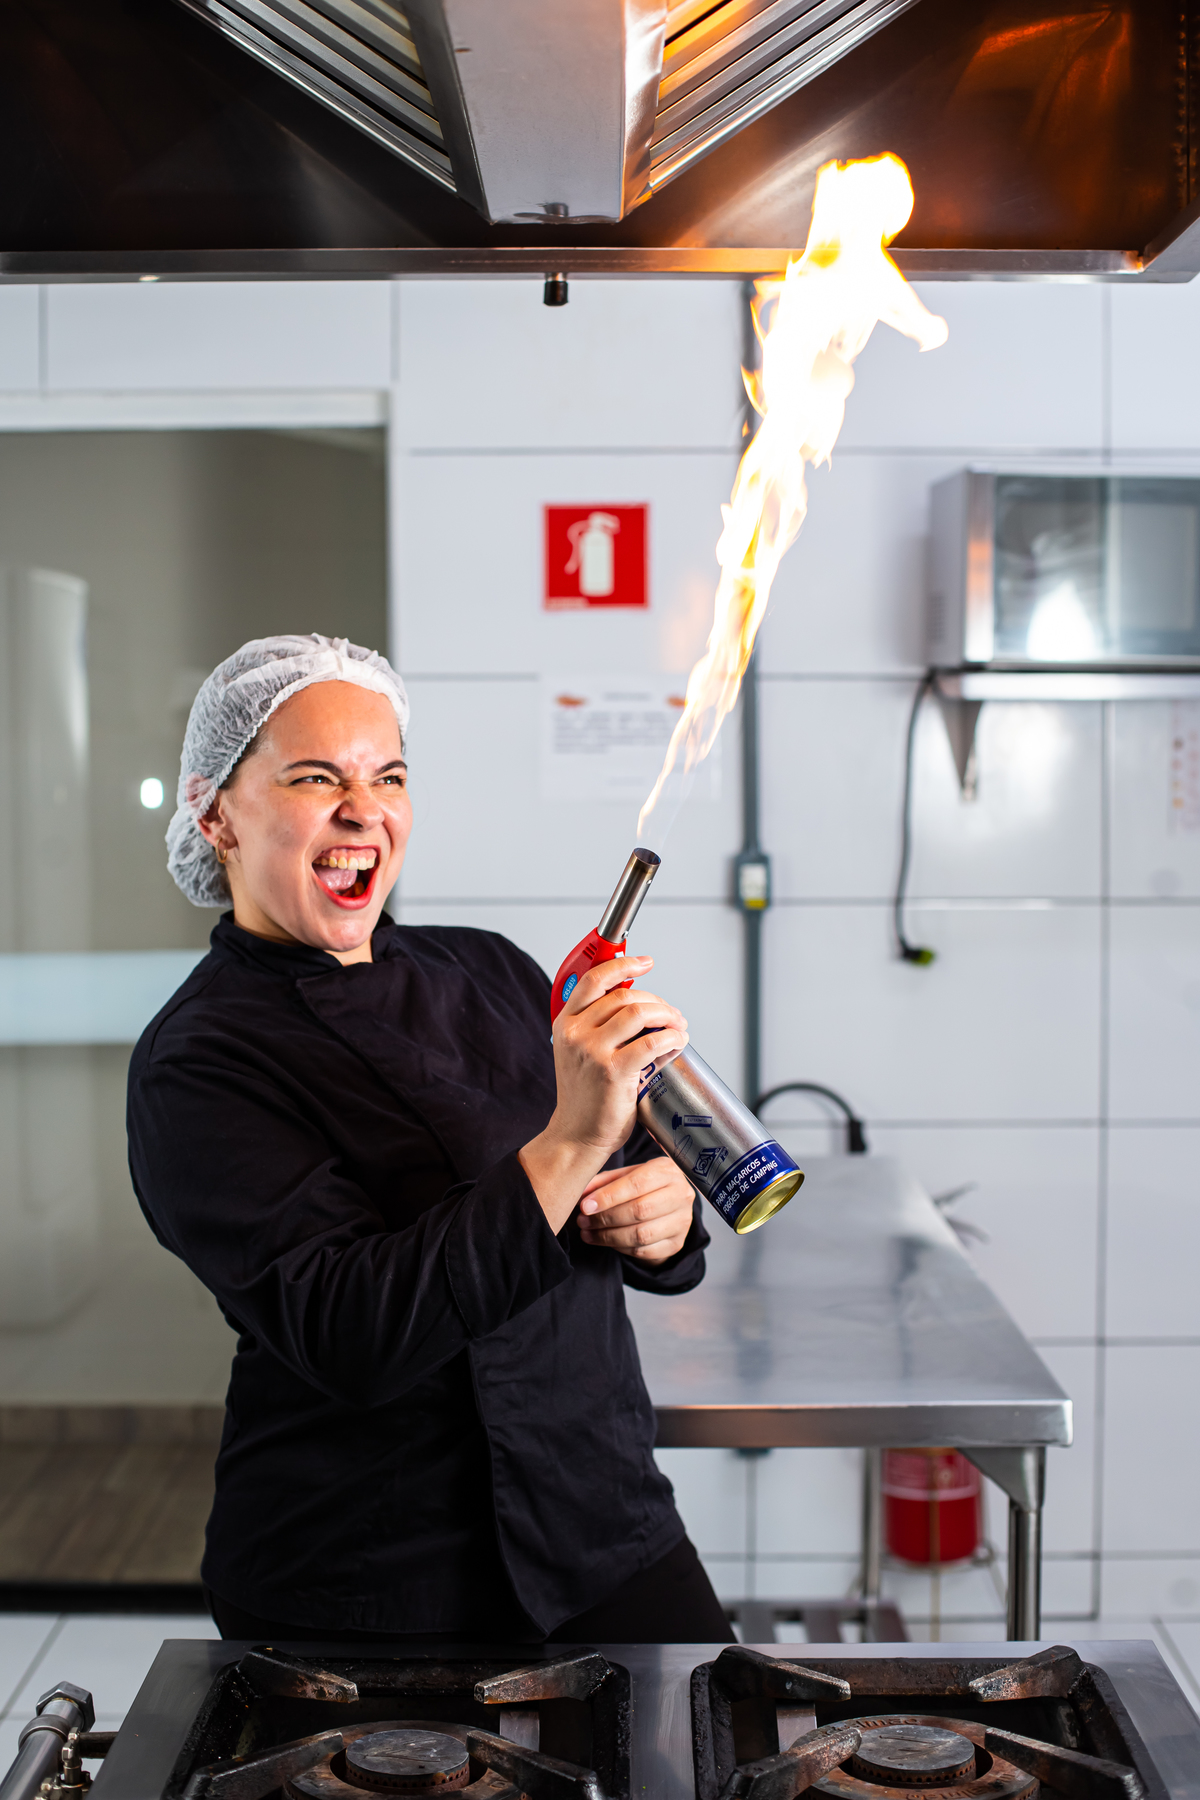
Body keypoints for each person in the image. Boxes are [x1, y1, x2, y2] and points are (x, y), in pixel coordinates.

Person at [128, 634, 734, 1644]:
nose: (363, 808)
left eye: (389, 776)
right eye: (316, 776)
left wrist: (665, 1220)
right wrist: (569, 1145)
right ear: (216, 814)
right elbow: (353, 1330)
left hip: (604, 1528)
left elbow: (624, 1179)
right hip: (369, 1580)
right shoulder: (196, 1062)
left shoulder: (489, 970)